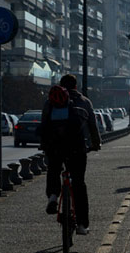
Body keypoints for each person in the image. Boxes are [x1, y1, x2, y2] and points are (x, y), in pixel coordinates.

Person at [41, 75, 101, 236]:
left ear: (61, 85)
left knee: (53, 169)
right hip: (77, 148)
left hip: (55, 147)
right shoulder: (84, 101)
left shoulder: (51, 102)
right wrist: (96, 144)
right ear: (76, 86)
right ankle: (82, 224)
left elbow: (44, 125)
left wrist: (45, 145)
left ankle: (53, 196)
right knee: (79, 184)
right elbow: (93, 126)